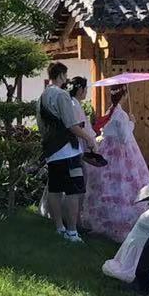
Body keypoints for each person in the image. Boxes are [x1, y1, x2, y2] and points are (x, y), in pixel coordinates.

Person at [82, 84, 149, 241]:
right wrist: (132, 122)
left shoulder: (110, 112)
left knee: (107, 185)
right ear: (124, 94)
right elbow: (125, 138)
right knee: (124, 184)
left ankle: (104, 218)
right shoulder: (121, 115)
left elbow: (105, 131)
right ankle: (121, 223)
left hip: (107, 150)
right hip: (122, 154)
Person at [37, 62, 96, 243]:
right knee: (73, 191)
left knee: (55, 189)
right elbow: (71, 125)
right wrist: (89, 138)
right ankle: (72, 232)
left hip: (51, 150)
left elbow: (41, 124)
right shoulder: (61, 95)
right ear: (62, 75)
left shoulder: (43, 96)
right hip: (67, 150)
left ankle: (59, 228)